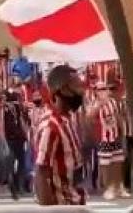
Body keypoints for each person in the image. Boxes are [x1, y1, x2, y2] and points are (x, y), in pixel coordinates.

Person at [33, 65, 86, 206]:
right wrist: (49, 209)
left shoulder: (67, 119)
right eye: (76, 86)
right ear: (62, 90)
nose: (81, 92)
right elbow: (41, 171)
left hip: (74, 203)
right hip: (61, 206)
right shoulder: (50, 125)